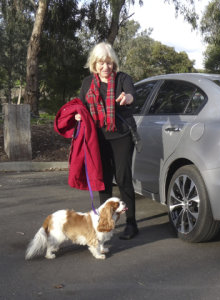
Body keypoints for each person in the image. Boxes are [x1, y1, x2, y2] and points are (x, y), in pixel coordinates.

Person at [75, 42, 138, 240]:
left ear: (114, 64)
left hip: (121, 136)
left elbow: (131, 95)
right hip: (98, 139)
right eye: (101, 63)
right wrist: (78, 116)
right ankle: (105, 222)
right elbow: (81, 106)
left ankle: (131, 223)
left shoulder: (123, 79)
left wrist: (127, 98)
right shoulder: (87, 83)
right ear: (95, 64)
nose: (106, 67)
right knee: (102, 181)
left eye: (109, 63)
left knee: (123, 178)